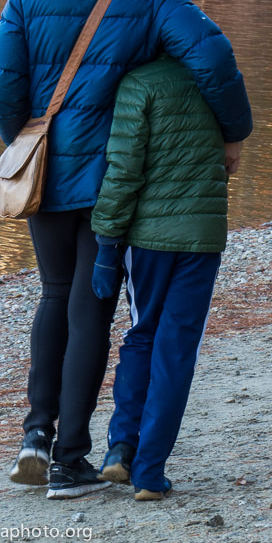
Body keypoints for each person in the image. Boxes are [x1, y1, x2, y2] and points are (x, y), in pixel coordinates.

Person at [0, 0, 252, 500]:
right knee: (90, 307)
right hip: (112, 181)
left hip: (45, 175)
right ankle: (71, 458)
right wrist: (233, 133)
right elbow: (212, 57)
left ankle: (35, 438)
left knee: (54, 295)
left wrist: (28, 139)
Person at [90, 51, 231, 500]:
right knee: (177, 352)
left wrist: (107, 239)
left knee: (141, 335)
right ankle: (149, 473)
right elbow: (234, 148)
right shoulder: (218, 81)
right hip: (202, 235)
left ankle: (119, 450)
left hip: (148, 238)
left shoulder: (139, 83)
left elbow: (124, 169)